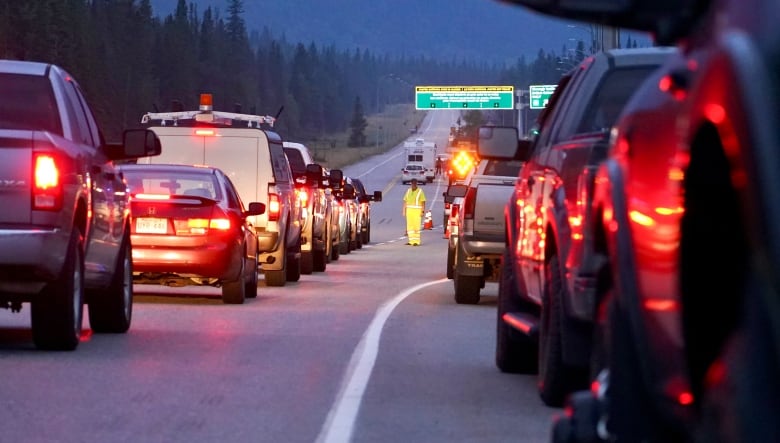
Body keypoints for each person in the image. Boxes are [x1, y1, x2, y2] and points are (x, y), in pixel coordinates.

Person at [402, 178, 426, 246]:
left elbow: (423, 202)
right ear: (411, 184)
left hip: (417, 211)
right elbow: (405, 201)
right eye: (412, 183)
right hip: (409, 211)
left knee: (416, 226)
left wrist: (422, 211)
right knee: (410, 227)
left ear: (416, 184)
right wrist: (404, 210)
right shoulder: (408, 191)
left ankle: (416, 241)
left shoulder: (420, 191)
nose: (413, 185)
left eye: (414, 183)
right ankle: (411, 241)